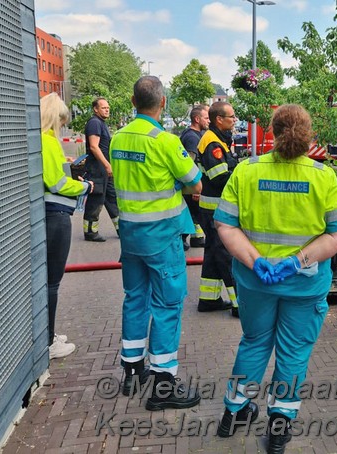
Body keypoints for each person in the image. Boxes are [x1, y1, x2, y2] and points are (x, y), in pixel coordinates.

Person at [213, 104, 337, 453]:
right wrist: (296, 261)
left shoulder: (246, 171)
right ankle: (279, 427)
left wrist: (257, 261)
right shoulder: (323, 176)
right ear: (309, 134)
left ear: (272, 132)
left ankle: (233, 412)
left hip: (255, 281)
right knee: (293, 352)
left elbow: (225, 225)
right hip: (304, 283)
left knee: (254, 342)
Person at [110, 76, 202, 409]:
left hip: (131, 235)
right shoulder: (164, 141)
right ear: (162, 103)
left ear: (133, 102)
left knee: (135, 299)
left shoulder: (117, 138)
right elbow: (195, 183)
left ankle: (132, 371)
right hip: (162, 237)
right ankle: (164, 385)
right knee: (167, 306)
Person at [41, 93, 93, 359]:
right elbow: (57, 183)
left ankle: (46, 333)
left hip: (46, 216)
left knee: (45, 281)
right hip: (56, 216)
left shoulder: (36, 140)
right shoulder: (48, 142)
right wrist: (84, 186)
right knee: (52, 282)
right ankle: (49, 342)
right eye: (62, 121)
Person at [196, 101, 239, 316]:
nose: (234, 120)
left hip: (212, 208)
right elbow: (220, 177)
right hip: (215, 209)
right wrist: (242, 178)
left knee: (213, 252)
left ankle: (208, 299)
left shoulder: (218, 139)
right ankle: (238, 303)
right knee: (225, 254)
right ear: (218, 119)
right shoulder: (213, 143)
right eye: (231, 116)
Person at [83, 97, 119, 242]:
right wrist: (106, 165)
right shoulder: (94, 123)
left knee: (112, 198)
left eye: (108, 107)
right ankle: (90, 232)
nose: (107, 109)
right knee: (96, 200)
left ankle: (121, 228)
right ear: (95, 109)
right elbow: (93, 146)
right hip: (97, 170)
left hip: (104, 170)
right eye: (103, 107)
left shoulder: (101, 123)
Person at [179, 104, 210, 249]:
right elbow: (190, 163)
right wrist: (195, 187)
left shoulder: (192, 134)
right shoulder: (192, 137)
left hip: (190, 186)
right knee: (191, 212)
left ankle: (196, 238)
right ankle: (182, 240)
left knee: (194, 213)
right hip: (191, 186)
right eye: (206, 118)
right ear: (197, 119)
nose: (208, 121)